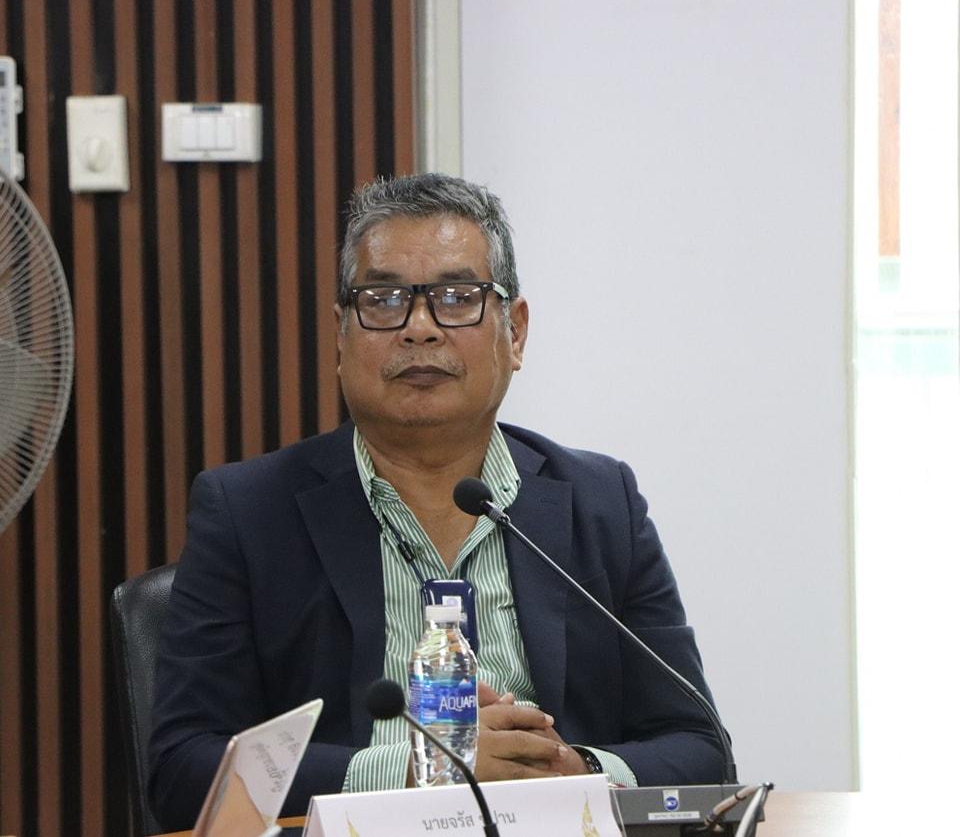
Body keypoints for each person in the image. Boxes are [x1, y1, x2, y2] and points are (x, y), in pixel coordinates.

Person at [148, 173, 727, 831]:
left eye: (457, 298)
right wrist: (417, 770)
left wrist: (573, 768)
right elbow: (183, 771)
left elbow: (701, 748)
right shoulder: (249, 513)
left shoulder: (601, 504)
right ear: (340, 334)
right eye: (383, 300)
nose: (420, 329)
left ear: (515, 332)